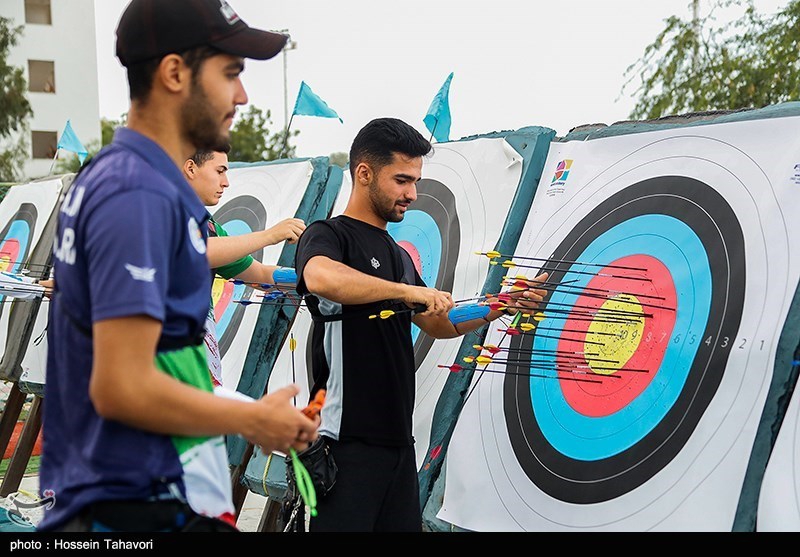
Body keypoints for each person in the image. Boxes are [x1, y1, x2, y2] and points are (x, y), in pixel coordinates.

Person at [39, 0, 317, 533]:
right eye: (231, 73)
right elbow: (121, 385)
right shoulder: (136, 193)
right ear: (174, 73)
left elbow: (160, 353)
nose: (242, 95)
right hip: (135, 505)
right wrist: (254, 419)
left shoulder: (126, 180)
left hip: (137, 496)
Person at [293, 117, 549, 532]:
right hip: (345, 445)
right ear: (364, 173)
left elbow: (439, 322)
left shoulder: (398, 255)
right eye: (401, 180)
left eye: (415, 181)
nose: (412, 193)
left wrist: (503, 303)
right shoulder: (329, 234)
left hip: (398, 446)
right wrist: (408, 292)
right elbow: (321, 278)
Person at [182, 146, 305, 389]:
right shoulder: (159, 212)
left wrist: (312, 278)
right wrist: (269, 235)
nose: (226, 182)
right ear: (190, 168)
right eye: (219, 171)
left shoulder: (210, 227)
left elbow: (259, 274)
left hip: (197, 356)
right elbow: (197, 251)